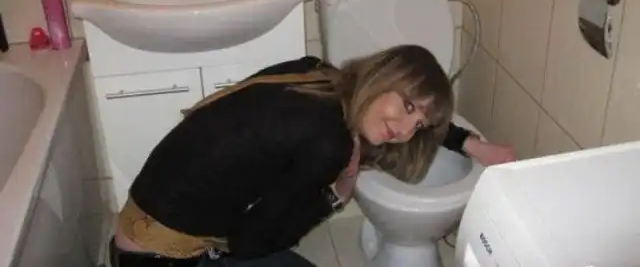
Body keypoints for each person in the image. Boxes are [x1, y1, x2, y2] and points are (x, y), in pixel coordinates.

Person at [109, 45, 515, 267]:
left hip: (138, 216)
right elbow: (249, 243)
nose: (407, 130)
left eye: (420, 124)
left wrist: (470, 143)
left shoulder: (317, 73)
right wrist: (334, 197)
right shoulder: (328, 141)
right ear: (384, 79)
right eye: (408, 107)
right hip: (163, 257)